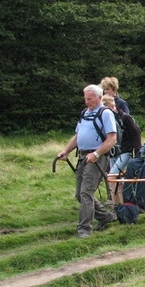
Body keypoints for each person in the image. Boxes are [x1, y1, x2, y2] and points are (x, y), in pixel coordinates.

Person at [57, 85, 118, 239]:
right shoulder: (85, 113)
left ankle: (84, 229)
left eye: (89, 99)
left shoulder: (106, 114)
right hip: (83, 157)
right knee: (80, 193)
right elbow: (78, 136)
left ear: (99, 98)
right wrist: (66, 151)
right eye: (85, 99)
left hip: (97, 158)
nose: (87, 102)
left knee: (86, 193)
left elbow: (112, 139)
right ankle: (106, 216)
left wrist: (96, 153)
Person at [102, 94, 142, 206]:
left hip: (125, 152)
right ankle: (118, 205)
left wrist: (138, 152)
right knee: (117, 180)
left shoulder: (125, 118)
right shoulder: (108, 120)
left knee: (112, 176)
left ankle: (121, 205)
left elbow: (136, 134)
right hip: (113, 153)